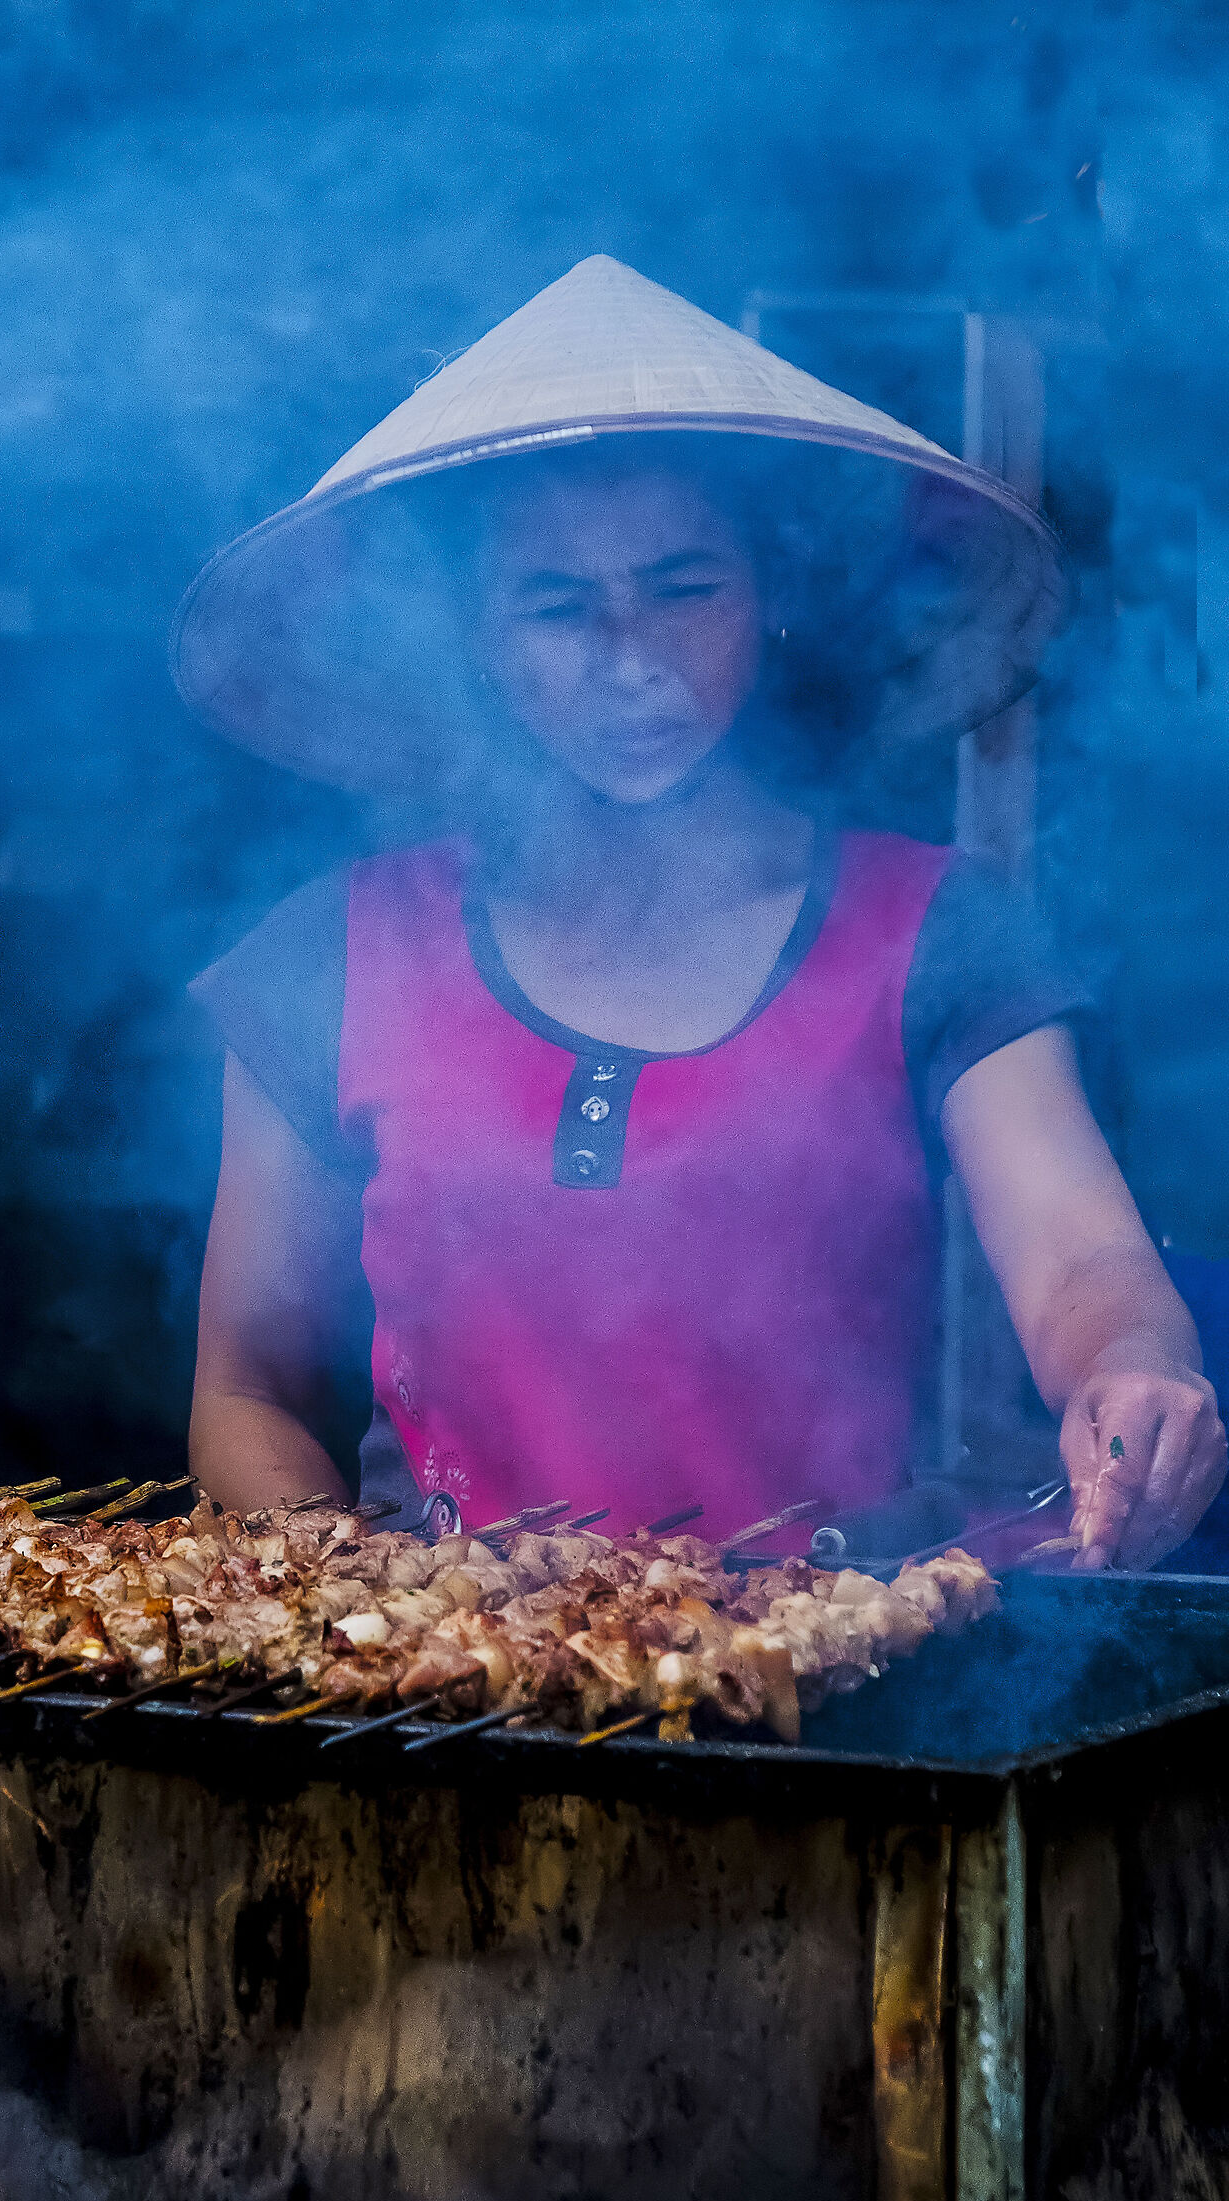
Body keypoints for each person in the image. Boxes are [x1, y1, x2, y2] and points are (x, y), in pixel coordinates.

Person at [176, 256, 1224, 1570]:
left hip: (840, 1656)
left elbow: (1081, 1264)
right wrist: (357, 1605)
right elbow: (247, 1387)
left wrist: (1137, 1372)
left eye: (685, 589)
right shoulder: (328, 954)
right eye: (558, 607)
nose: (633, 660)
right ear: (479, 641)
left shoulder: (938, 927)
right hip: (443, 1663)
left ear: (768, 598)